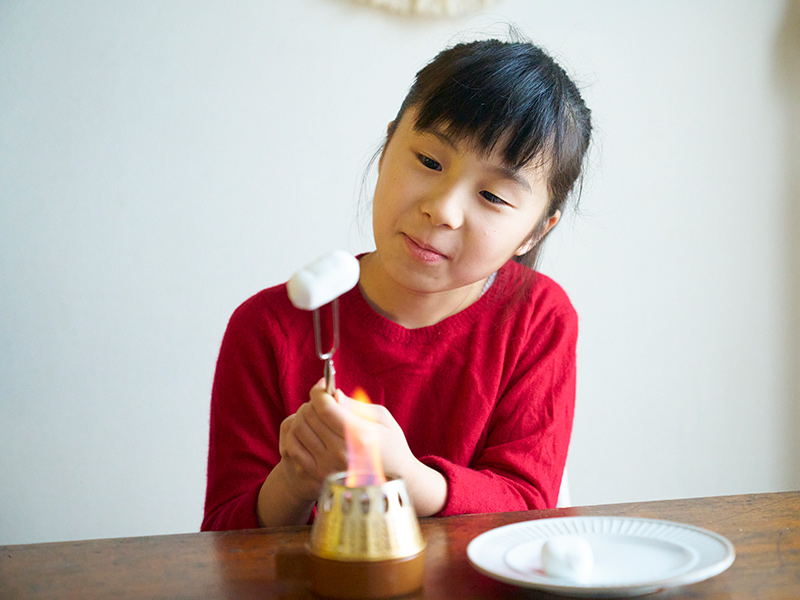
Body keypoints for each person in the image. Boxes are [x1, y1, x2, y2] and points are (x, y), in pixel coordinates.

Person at [201, 36, 592, 531]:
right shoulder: (268, 327)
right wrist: (297, 478)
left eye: (492, 195)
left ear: (535, 231)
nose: (443, 209)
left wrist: (406, 474)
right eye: (429, 162)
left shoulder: (538, 318)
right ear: (387, 148)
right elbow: (223, 542)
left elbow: (530, 503)